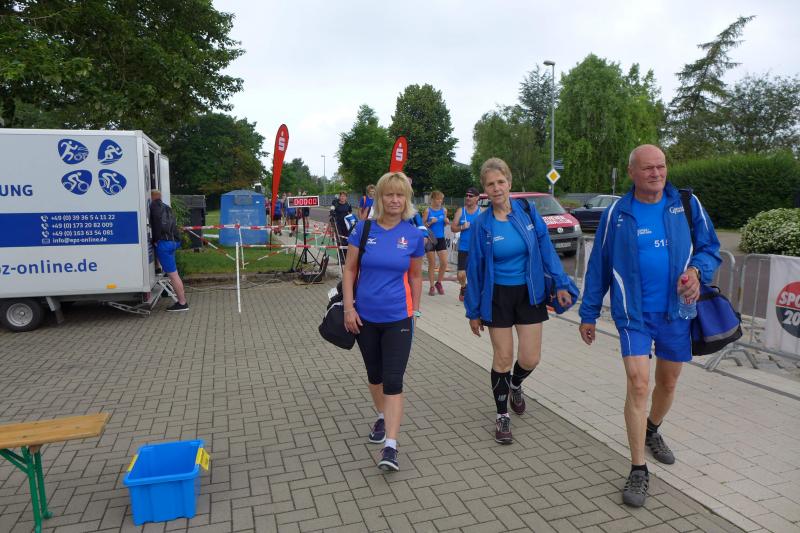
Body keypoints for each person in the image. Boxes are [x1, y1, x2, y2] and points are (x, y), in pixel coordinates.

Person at [578, 144, 721, 508]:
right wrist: (588, 313)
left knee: (668, 382)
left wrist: (696, 271)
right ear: (632, 173)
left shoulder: (687, 204)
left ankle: (652, 429)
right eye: (647, 168)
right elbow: (599, 265)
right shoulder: (617, 214)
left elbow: (710, 248)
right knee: (639, 383)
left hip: (677, 313)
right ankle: (638, 468)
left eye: (661, 166)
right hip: (633, 315)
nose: (656, 173)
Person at [465, 158, 572, 445]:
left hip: (529, 292)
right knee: (502, 358)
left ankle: (515, 384)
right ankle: (502, 416)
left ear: (509, 183)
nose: (496, 188)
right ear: (485, 189)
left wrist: (561, 282)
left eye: (501, 182)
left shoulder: (527, 211)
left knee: (530, 358)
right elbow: (475, 269)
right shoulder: (482, 225)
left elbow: (546, 249)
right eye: (490, 184)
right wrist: (473, 311)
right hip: (497, 296)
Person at [342, 171, 424, 472]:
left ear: (407, 199)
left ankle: (391, 446)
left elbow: (416, 276)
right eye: (389, 194)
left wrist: (415, 311)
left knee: (393, 379)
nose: (394, 200)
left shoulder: (414, 235)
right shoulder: (363, 229)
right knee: (374, 375)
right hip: (364, 318)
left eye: (400, 195)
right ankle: (381, 414)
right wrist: (349, 308)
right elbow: (349, 270)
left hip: (398, 317)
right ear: (379, 197)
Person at [149, 190, 189, 312]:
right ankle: (182, 301)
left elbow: (156, 225)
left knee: (173, 275)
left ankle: (182, 303)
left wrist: (155, 240)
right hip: (173, 242)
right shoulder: (167, 207)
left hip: (164, 244)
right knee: (174, 273)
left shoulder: (154, 206)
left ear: (151, 197)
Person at [450, 186, 481, 302]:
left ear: (477, 198)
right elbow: (453, 228)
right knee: (461, 274)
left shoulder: (482, 211)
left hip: (477, 248)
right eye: (467, 195)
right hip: (463, 247)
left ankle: (473, 294)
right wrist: (462, 227)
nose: (468, 198)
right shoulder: (461, 211)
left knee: (474, 274)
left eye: (470, 196)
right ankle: (463, 287)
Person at [423, 190, 450, 295]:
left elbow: (444, 225)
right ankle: (431, 286)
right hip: (430, 239)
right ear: (433, 199)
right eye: (438, 199)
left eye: (441, 199)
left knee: (444, 262)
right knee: (432, 263)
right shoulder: (428, 211)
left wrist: (446, 222)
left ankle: (439, 282)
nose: (440, 201)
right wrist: (430, 222)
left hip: (440, 238)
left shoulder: (444, 210)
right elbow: (422, 226)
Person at [331, 191, 353, 264]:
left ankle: (346, 258)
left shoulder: (348, 204)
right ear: (339, 197)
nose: (342, 197)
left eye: (344, 196)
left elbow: (350, 213)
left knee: (346, 242)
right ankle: (340, 259)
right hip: (338, 225)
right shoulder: (336, 204)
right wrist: (332, 211)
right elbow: (331, 210)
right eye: (341, 196)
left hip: (346, 226)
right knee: (340, 242)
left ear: (346, 197)